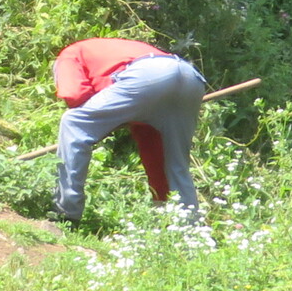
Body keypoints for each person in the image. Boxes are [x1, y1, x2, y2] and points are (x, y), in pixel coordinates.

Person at [50, 37, 207, 225]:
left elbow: (74, 95)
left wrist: (100, 123)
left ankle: (66, 213)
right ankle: (188, 228)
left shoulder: (69, 55)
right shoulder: (108, 49)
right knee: (174, 162)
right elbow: (152, 149)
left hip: (146, 76)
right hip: (190, 77)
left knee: (74, 122)